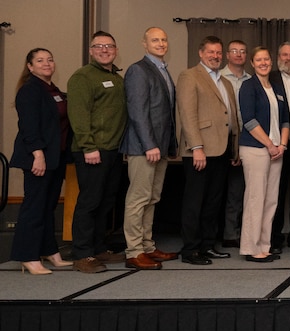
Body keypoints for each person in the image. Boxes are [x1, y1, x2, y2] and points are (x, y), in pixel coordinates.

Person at [120, 27, 179, 271]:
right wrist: (149, 145)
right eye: (155, 40)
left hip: (160, 147)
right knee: (138, 199)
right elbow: (137, 111)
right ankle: (134, 251)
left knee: (152, 198)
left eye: (164, 39)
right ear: (144, 44)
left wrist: (165, 145)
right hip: (145, 148)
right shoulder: (138, 70)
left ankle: (147, 246)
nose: (161, 43)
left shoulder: (162, 70)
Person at [176, 36, 240, 265]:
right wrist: (197, 148)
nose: (215, 56)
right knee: (195, 202)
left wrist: (234, 150)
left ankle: (207, 245)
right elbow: (187, 114)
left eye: (218, 53)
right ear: (201, 53)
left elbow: (231, 118)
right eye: (211, 52)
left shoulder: (226, 82)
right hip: (200, 151)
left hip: (221, 152)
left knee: (214, 202)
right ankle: (191, 249)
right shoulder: (189, 76)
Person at [67, 31, 127, 272]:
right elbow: (79, 115)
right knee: (89, 202)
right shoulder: (83, 77)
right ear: (91, 50)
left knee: (106, 202)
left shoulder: (116, 77)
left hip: (113, 150)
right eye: (99, 46)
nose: (105, 50)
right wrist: (88, 146)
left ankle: (98, 247)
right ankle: (82, 253)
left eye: (109, 46)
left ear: (115, 50)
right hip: (92, 151)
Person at [9, 48, 72, 275]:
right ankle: (28, 256)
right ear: (30, 66)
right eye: (40, 60)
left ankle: (49, 251)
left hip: (56, 158)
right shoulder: (29, 90)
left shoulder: (52, 90)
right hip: (38, 158)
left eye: (50, 59)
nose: (46, 63)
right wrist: (38, 154)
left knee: (48, 207)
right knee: (34, 208)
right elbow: (29, 126)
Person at [238, 47, 289, 262]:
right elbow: (249, 121)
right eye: (259, 59)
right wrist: (269, 144)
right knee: (255, 199)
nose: (263, 63)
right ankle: (251, 248)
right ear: (252, 62)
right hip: (256, 149)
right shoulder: (248, 86)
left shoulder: (277, 88)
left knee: (271, 201)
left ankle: (264, 245)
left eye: (266, 59)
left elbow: (286, 120)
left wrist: (282, 145)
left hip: (277, 150)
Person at [269, 42, 290, 254]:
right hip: (277, 145)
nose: (288, 58)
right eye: (284, 55)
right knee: (276, 193)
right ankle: (274, 237)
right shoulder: (269, 78)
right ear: (278, 56)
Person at [221, 39, 251, 248]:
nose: (238, 54)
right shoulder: (218, 77)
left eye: (242, 51)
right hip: (220, 138)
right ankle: (214, 234)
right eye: (234, 51)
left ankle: (232, 234)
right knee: (215, 192)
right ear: (227, 55)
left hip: (244, 140)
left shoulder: (252, 80)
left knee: (237, 191)